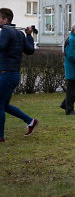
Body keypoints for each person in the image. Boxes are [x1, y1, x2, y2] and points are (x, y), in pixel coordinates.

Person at [0, 8, 39, 142]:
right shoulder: (20, 34)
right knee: (4, 105)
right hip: (14, 75)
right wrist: (29, 35)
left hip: (6, 74)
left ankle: (0, 137)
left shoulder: (5, 31)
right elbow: (29, 50)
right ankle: (30, 121)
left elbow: (2, 45)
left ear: (5, 20)